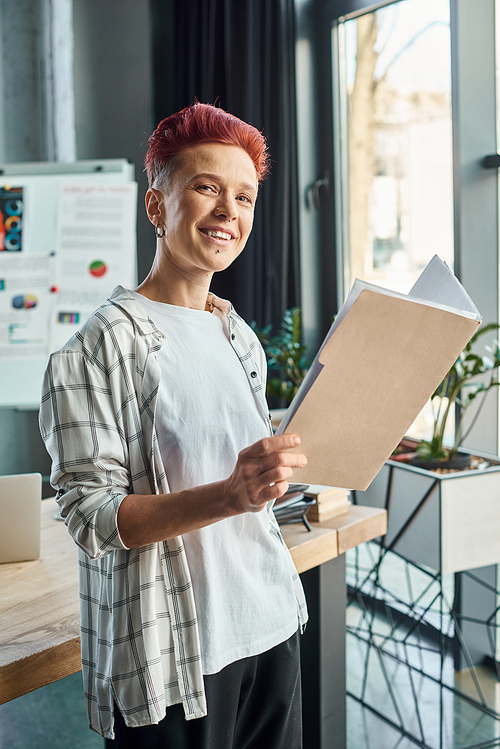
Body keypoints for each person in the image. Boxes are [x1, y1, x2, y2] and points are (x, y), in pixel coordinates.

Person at [39, 103, 308, 749]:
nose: (228, 211)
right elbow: (90, 516)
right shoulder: (97, 347)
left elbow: (248, 480)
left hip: (271, 625)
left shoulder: (238, 334)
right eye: (206, 187)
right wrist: (228, 495)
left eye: (243, 196)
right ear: (157, 207)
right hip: (174, 658)